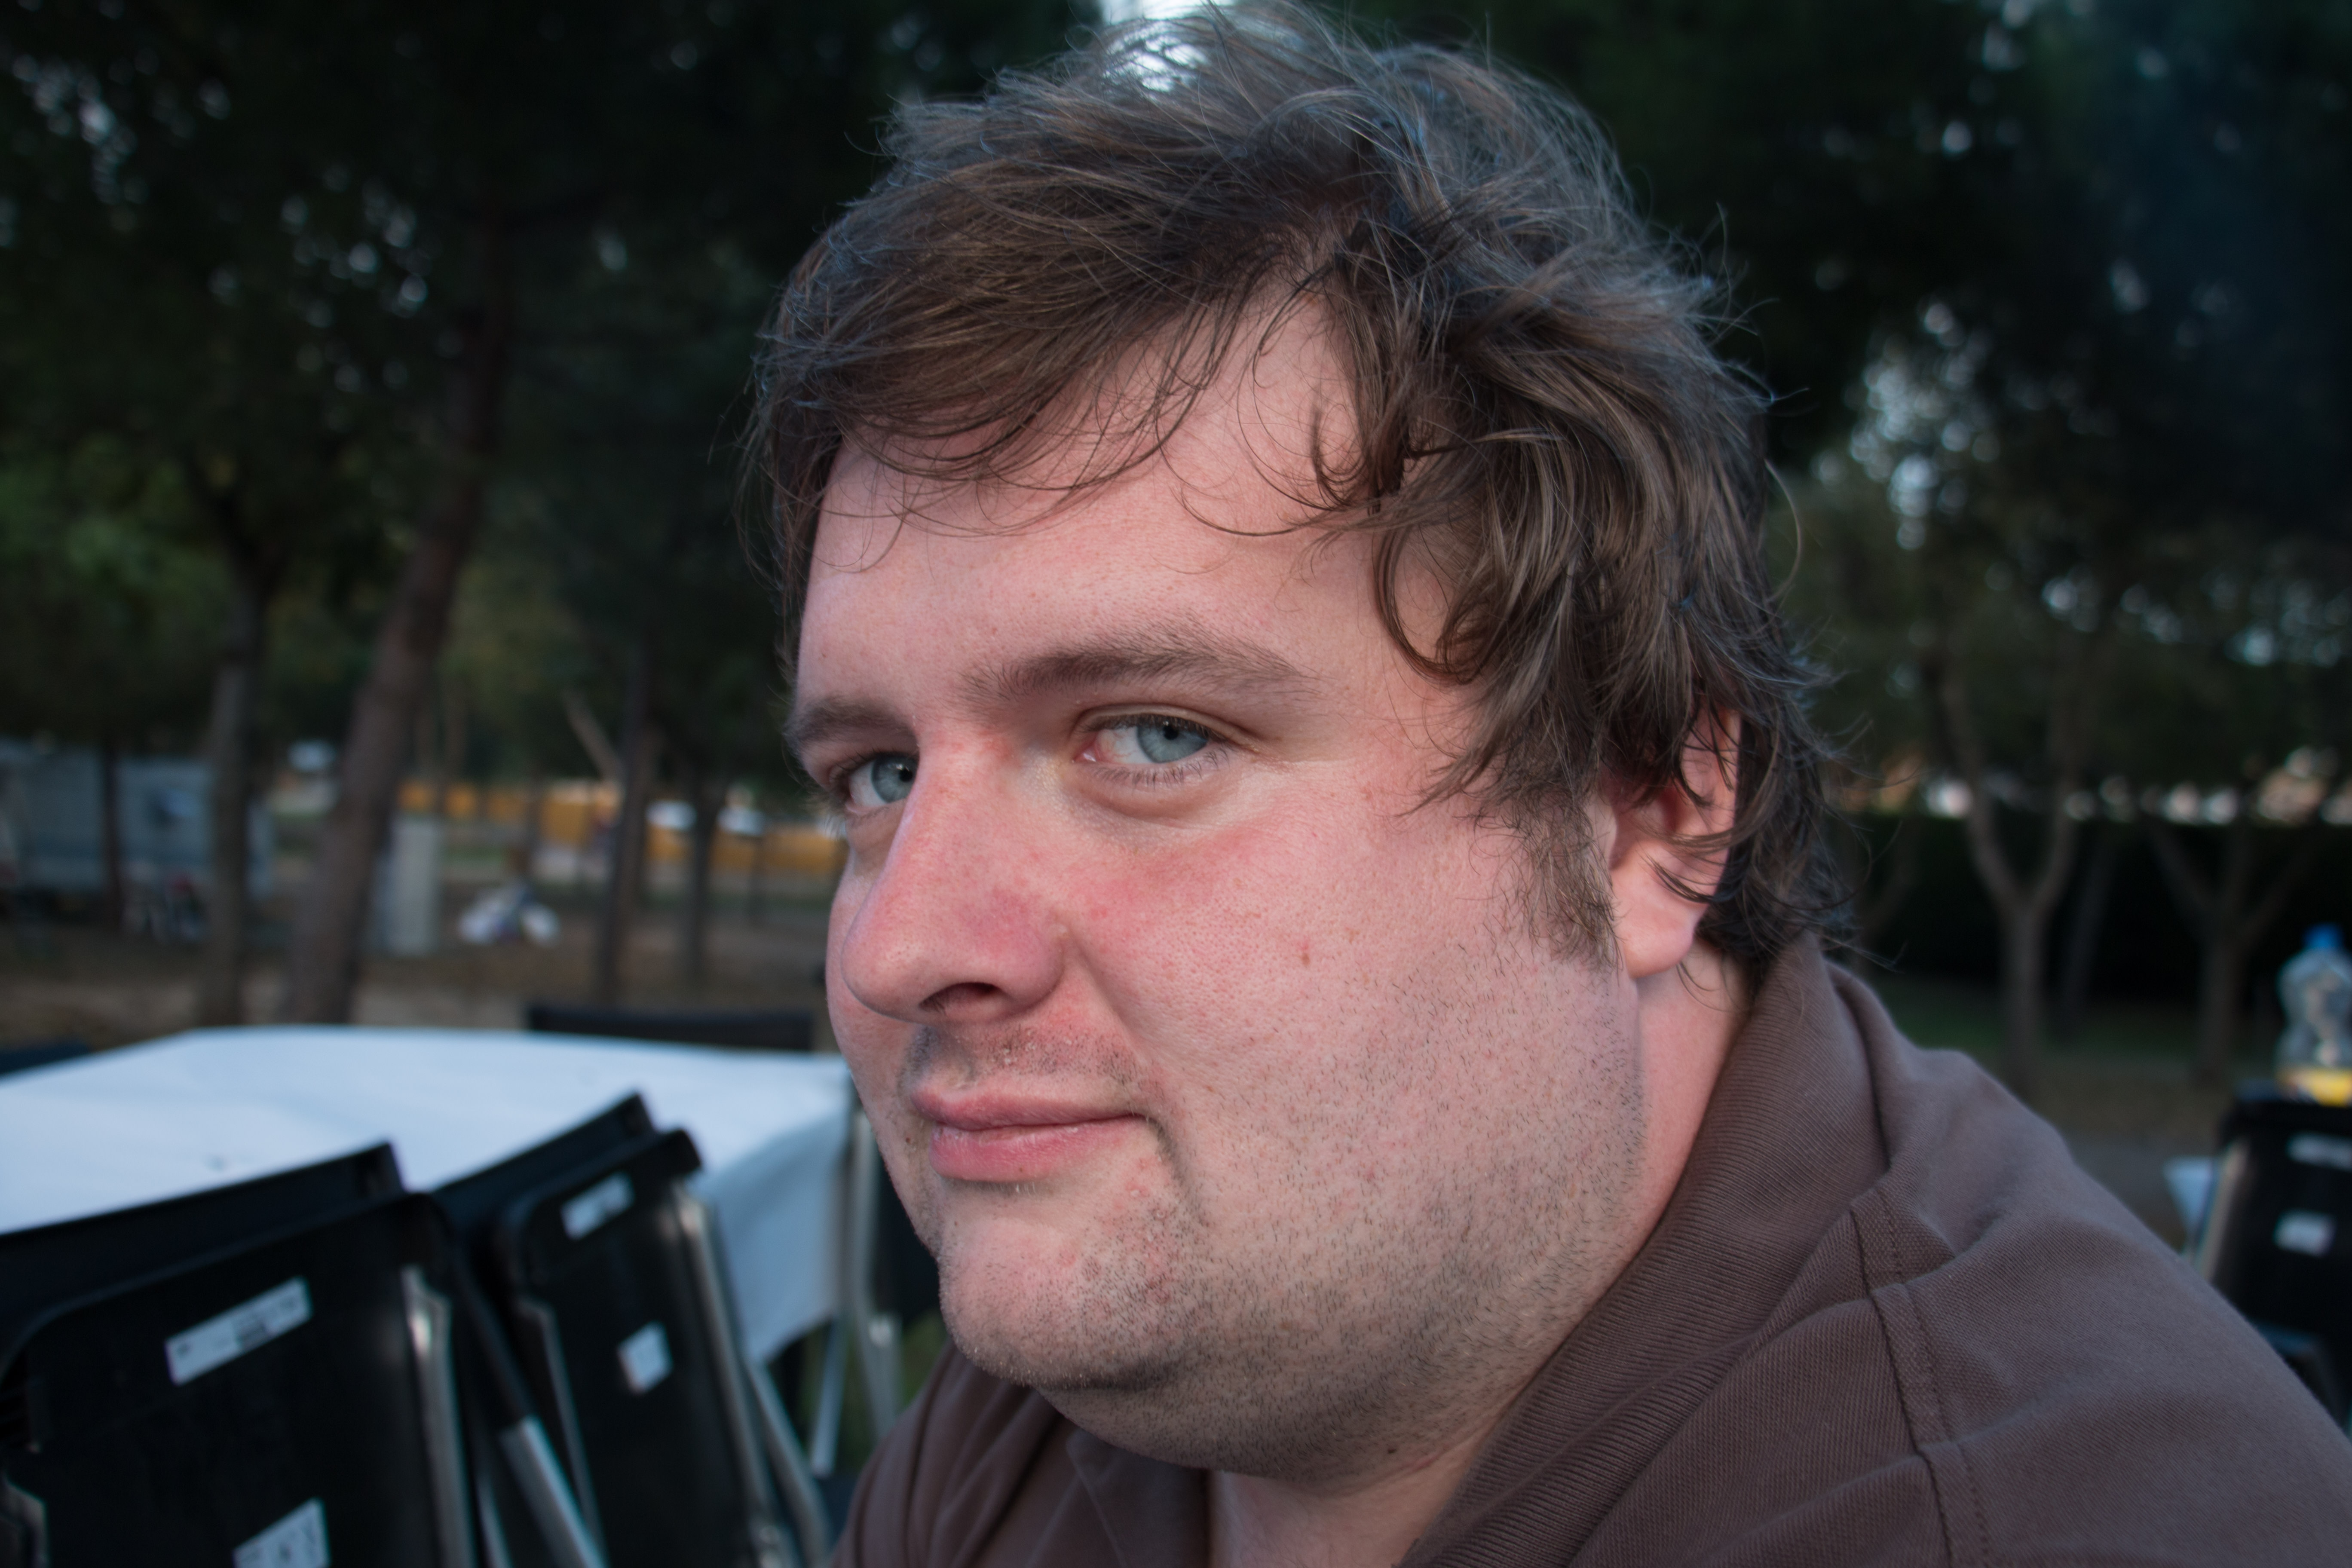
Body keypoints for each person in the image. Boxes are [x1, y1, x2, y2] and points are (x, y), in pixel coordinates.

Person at [750, 6, 2352, 1562]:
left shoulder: (2054, 1523)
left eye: (1156, 737)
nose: (903, 947)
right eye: (879, 771)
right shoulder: (1087, 1366)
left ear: (1655, 817)